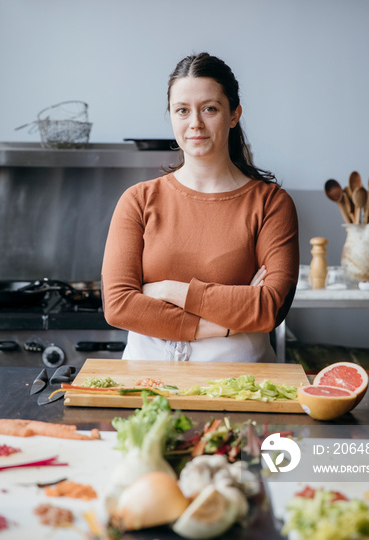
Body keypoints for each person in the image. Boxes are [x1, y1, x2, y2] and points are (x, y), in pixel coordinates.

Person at [102, 52, 299, 362]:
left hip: (241, 380)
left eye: (210, 109)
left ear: (233, 115)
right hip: (146, 377)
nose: (195, 123)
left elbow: (270, 307)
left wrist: (167, 290)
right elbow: (118, 305)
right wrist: (223, 325)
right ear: (170, 115)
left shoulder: (271, 203)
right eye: (182, 110)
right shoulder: (138, 200)